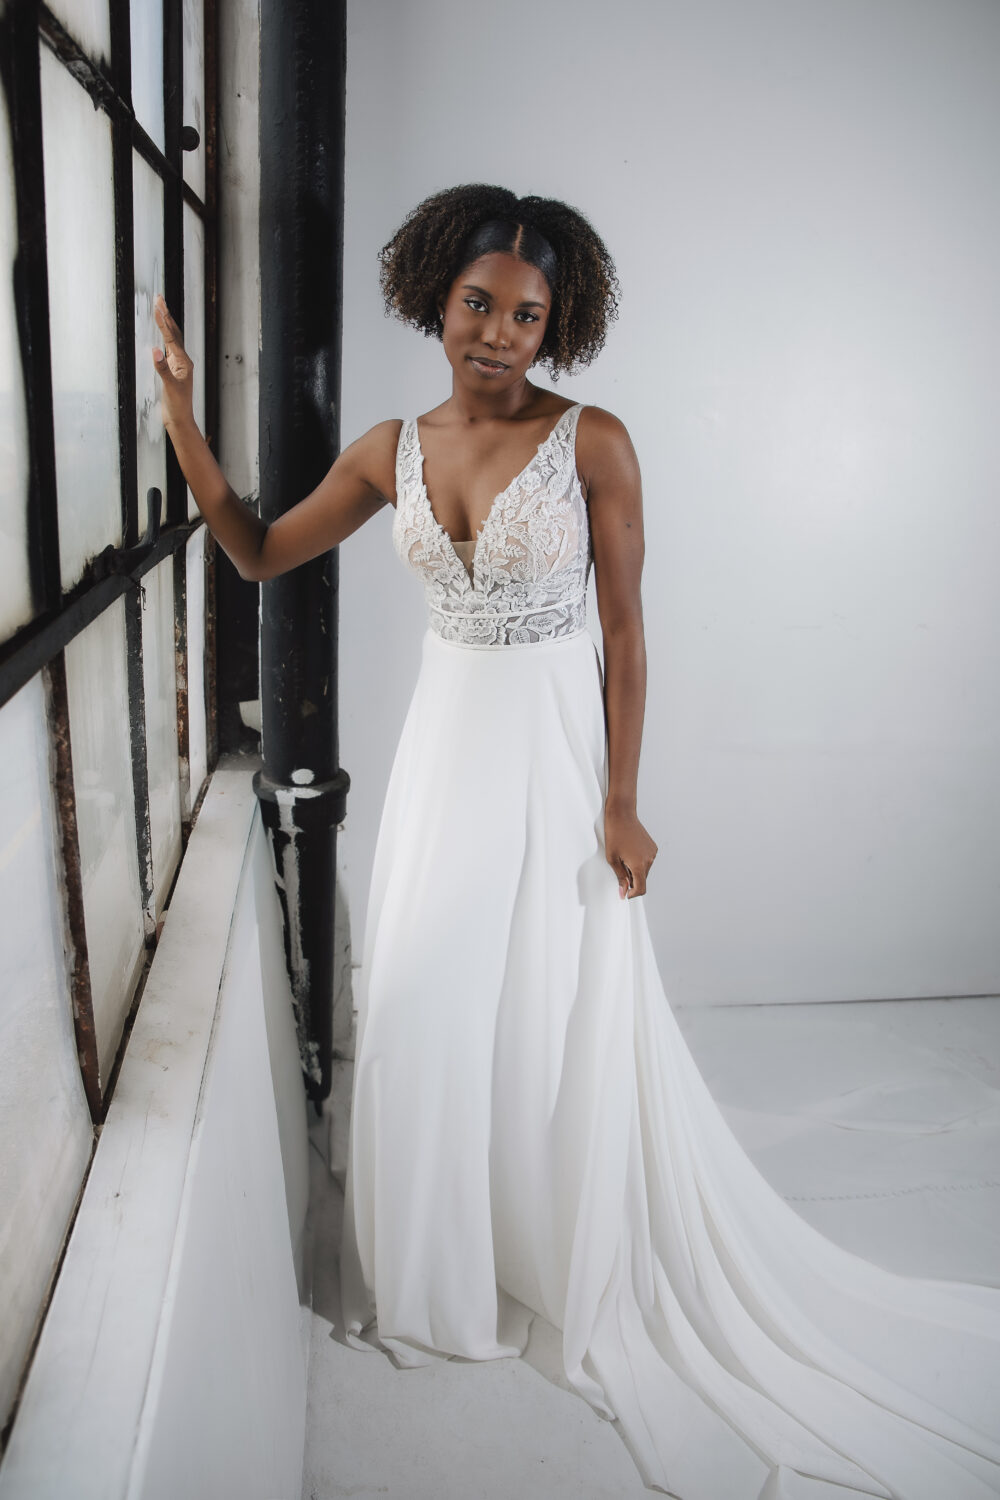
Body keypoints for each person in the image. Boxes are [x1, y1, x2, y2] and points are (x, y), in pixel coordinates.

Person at [155, 184, 1000, 1500]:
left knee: (548, 1008)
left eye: (528, 316)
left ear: (558, 326)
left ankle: (547, 1248)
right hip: (445, 757)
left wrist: (622, 799)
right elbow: (260, 551)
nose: (498, 333)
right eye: (479, 304)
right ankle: (442, 1267)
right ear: (435, 299)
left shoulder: (593, 442)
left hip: (555, 760)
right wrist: (179, 414)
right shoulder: (389, 450)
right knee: (426, 999)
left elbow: (625, 631)